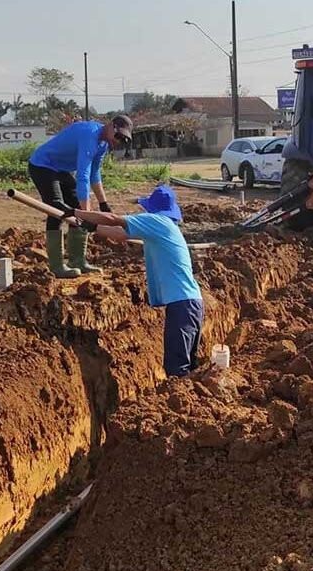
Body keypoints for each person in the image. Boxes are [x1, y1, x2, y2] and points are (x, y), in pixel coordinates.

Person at [64, 185, 203, 377]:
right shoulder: (166, 227)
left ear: (152, 208)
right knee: (186, 366)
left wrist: (74, 211)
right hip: (191, 303)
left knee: (176, 369)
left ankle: (180, 404)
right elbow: (119, 235)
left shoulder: (157, 221)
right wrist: (93, 227)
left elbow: (113, 219)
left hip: (182, 304)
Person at [28, 115, 133, 278]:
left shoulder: (102, 144)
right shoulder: (90, 135)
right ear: (111, 126)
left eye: (123, 140)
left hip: (61, 170)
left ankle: (77, 261)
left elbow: (94, 173)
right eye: (118, 136)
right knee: (57, 210)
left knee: (75, 207)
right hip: (43, 165)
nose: (118, 141)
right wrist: (87, 215)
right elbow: (83, 175)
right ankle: (56, 266)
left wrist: (103, 203)